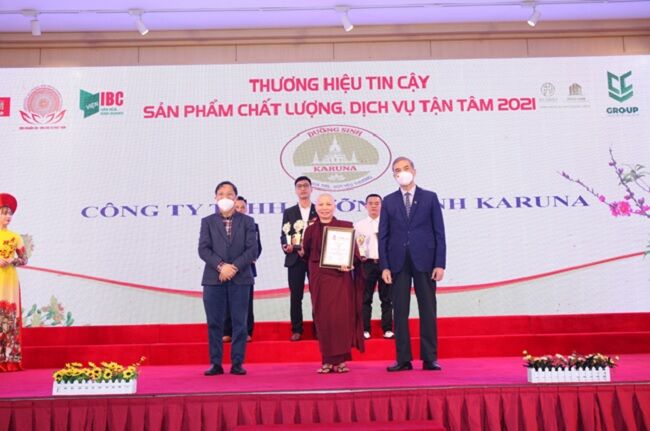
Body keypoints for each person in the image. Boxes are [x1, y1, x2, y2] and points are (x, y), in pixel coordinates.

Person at [379, 157, 446, 372]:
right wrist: (385, 266)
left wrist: (440, 263)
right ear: (394, 175)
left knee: (428, 309)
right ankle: (403, 359)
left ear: (414, 171)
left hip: (425, 261)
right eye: (397, 170)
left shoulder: (429, 197)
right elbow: (383, 236)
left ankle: (429, 358)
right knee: (399, 311)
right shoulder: (388, 201)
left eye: (406, 168)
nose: (402, 172)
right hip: (397, 263)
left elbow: (439, 233)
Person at [300, 193, 364, 373]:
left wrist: (349, 263)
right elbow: (307, 254)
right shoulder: (310, 230)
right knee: (324, 319)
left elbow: (355, 255)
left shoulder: (345, 227)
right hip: (320, 279)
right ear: (316, 207)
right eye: (321, 204)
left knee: (340, 317)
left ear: (334, 206)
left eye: (328, 204)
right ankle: (327, 361)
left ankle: (342, 361)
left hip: (340, 279)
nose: (324, 208)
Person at [199, 181, 258, 376]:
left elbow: (252, 250)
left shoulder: (248, 221)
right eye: (221, 194)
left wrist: (233, 267)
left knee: (240, 323)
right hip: (213, 279)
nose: (225, 197)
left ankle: (237, 363)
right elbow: (203, 249)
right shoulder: (207, 222)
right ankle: (215, 363)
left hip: (241, 278)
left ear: (236, 197)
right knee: (214, 323)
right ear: (215, 198)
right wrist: (221, 266)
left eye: (230, 194)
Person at [281, 176, 317, 341]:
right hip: (295, 259)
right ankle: (296, 329)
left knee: (317, 295)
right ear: (296, 190)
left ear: (311, 189)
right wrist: (287, 246)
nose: (303, 189)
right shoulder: (289, 212)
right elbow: (284, 234)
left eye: (305, 186)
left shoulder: (319, 210)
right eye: (299, 186)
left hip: (314, 259)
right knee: (296, 296)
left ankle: (318, 328)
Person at [354, 194, 393, 340]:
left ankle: (387, 329)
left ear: (382, 206)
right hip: (367, 264)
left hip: (385, 264)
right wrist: (359, 255)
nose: (374, 206)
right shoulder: (359, 225)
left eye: (377, 203)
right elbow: (355, 246)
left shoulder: (389, 223)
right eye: (370, 203)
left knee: (387, 298)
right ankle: (365, 329)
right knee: (365, 298)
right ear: (365, 206)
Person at [223, 196, 261, 343]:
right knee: (227, 301)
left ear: (246, 209)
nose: (239, 210)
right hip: (227, 268)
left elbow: (257, 247)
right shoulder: (223, 224)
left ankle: (247, 331)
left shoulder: (252, 225)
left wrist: (247, 259)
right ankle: (227, 331)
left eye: (242, 207)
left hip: (246, 269)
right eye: (236, 207)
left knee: (246, 303)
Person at [0, 193, 27, 373]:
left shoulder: (15, 237)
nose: (8, 217)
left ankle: (9, 360)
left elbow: (24, 259)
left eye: (10, 213)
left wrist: (12, 260)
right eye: (4, 213)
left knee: (8, 318)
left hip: (9, 280)